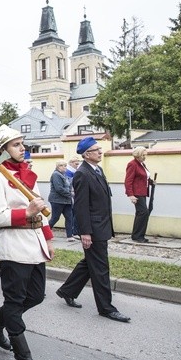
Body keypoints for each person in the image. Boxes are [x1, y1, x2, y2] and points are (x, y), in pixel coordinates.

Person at [0, 125, 54, 360]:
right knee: (14, 303)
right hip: (13, 248)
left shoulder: (27, 175)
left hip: (34, 245)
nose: (23, 148)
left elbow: (41, 208)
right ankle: (23, 358)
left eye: (23, 144)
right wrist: (29, 212)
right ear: (3, 151)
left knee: (36, 296)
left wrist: (48, 238)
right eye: (16, 144)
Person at [56, 137, 131, 323]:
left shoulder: (97, 169)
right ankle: (106, 308)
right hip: (94, 229)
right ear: (87, 154)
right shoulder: (82, 173)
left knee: (90, 263)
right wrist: (85, 232)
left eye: (100, 149)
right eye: (97, 149)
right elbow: (80, 206)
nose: (100, 152)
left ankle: (67, 290)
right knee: (100, 268)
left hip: (102, 225)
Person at [125, 146, 152, 243]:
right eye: (143, 155)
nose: (145, 157)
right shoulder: (132, 164)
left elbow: (144, 177)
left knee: (141, 213)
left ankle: (137, 235)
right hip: (137, 193)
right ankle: (138, 236)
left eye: (145, 155)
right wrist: (131, 195)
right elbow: (128, 181)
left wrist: (151, 182)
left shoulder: (141, 164)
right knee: (143, 213)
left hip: (143, 192)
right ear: (138, 155)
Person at [48, 160, 76, 241]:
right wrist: (70, 194)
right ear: (58, 167)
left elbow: (69, 186)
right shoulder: (56, 174)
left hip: (66, 201)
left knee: (69, 217)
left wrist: (71, 192)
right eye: (62, 165)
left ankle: (69, 236)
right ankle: (45, 232)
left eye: (65, 166)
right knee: (55, 218)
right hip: (57, 200)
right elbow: (59, 188)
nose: (64, 167)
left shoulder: (64, 175)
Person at [65, 155, 81, 238]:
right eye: (76, 163)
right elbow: (69, 184)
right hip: (71, 194)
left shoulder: (74, 171)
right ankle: (73, 231)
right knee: (72, 214)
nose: (77, 165)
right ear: (71, 163)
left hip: (74, 194)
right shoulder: (68, 172)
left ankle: (74, 231)